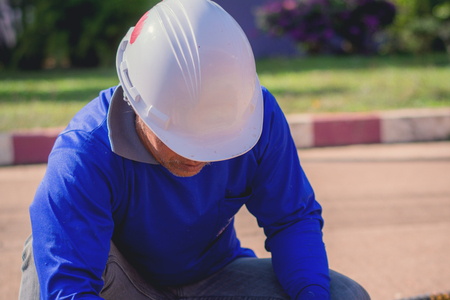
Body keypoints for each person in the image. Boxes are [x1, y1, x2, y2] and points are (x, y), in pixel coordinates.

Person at [19, 0, 371, 299]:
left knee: (343, 295)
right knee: (43, 255)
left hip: (213, 279)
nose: (198, 157)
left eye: (217, 143)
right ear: (139, 105)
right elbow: (70, 284)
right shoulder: (84, 154)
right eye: (184, 140)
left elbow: (293, 218)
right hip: (120, 287)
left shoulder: (254, 116)